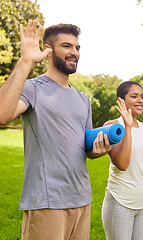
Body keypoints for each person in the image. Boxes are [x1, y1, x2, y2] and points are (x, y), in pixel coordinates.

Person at [0, 20, 111, 239]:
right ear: (49, 51)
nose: (75, 52)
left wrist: (96, 151)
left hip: (82, 200)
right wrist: (25, 61)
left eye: (77, 47)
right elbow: (3, 114)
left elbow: (85, 148)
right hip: (47, 202)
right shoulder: (33, 88)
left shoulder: (83, 100)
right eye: (67, 46)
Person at [101, 81, 143, 240]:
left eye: (142, 96)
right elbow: (123, 164)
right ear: (121, 101)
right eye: (134, 96)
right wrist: (128, 126)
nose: (140, 100)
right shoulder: (112, 126)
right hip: (120, 201)